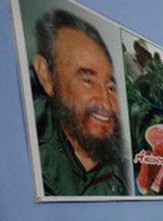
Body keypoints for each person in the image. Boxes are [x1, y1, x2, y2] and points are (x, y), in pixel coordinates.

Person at [32, 9, 127, 196]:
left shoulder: (125, 164)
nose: (106, 104)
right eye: (87, 81)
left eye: (110, 87)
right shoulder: (24, 150)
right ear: (46, 76)